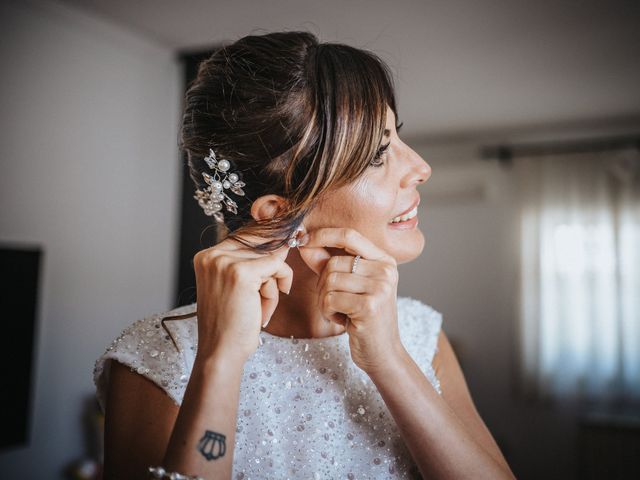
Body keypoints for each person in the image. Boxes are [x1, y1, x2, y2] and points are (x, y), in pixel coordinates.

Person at [93, 30, 515, 480]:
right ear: (281, 212)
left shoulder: (420, 334)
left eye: (398, 136)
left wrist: (389, 359)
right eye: (377, 154)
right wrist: (220, 361)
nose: (421, 168)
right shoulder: (156, 356)